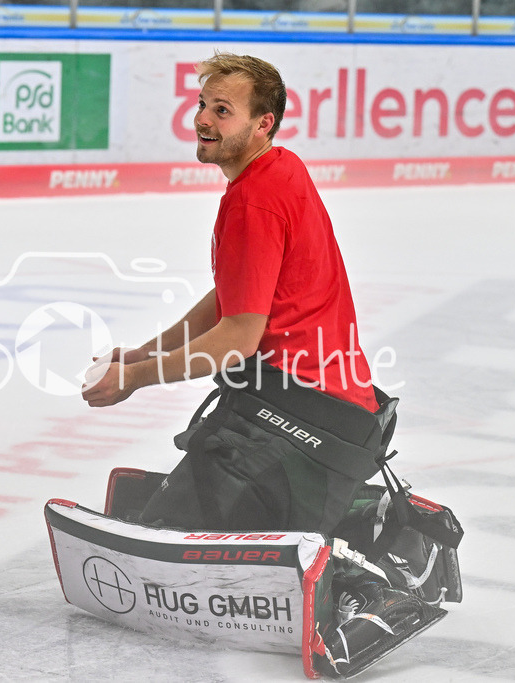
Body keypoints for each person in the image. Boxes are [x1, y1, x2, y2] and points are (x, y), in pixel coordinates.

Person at [82, 52, 398, 535]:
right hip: (328, 405)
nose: (202, 119)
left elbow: (236, 339)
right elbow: (233, 295)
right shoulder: (280, 167)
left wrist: (135, 378)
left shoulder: (255, 201)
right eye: (203, 104)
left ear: (262, 124)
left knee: (172, 525)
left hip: (304, 410)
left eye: (223, 110)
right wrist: (146, 353)